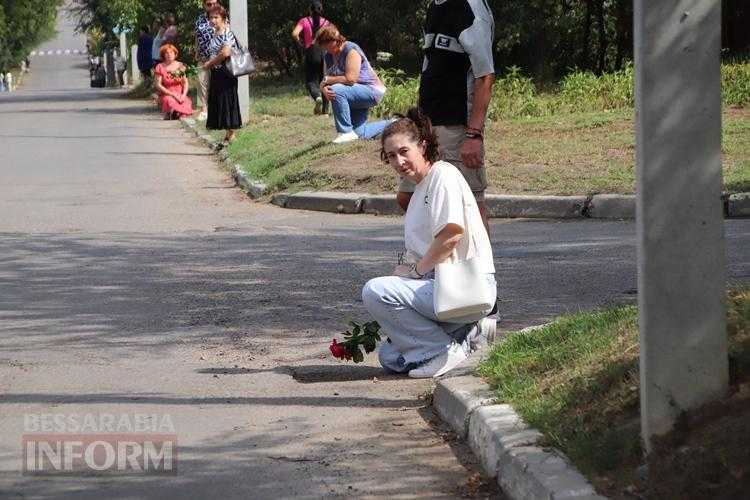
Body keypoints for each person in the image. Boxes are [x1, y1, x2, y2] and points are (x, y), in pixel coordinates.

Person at [362, 109, 497, 379]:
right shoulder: (419, 189)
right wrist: (405, 272)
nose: (398, 161)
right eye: (391, 156)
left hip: (462, 286)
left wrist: (416, 273)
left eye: (404, 151)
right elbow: (422, 250)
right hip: (439, 289)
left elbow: (451, 234)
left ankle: (441, 351)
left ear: (422, 145)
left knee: (374, 291)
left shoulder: (442, 176)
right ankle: (469, 334)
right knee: (390, 357)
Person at [397, 0, 496, 234]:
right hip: (427, 126)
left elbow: (485, 76)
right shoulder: (435, 6)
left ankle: (479, 270)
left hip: (457, 128)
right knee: (408, 197)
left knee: (468, 206)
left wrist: (474, 134)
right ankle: (438, 261)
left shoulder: (470, 7)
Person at [315, 24, 392, 144]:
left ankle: (345, 132)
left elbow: (351, 79)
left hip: (370, 91)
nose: (325, 49)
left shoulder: (351, 50)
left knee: (336, 90)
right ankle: (394, 123)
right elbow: (325, 80)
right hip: (353, 93)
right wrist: (324, 89)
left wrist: (327, 81)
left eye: (325, 45)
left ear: (334, 40)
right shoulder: (328, 56)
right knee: (359, 133)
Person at [202, 5, 242, 149]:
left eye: (216, 17)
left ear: (223, 18)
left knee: (227, 100)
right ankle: (228, 135)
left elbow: (225, 53)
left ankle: (231, 134)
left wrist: (210, 64)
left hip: (226, 72)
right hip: (217, 72)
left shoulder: (226, 32)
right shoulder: (215, 32)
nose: (213, 20)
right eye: (211, 17)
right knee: (220, 101)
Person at [291, 1, 330, 115]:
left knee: (311, 81)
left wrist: (301, 43)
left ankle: (317, 96)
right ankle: (326, 111)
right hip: (324, 52)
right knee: (325, 80)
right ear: (321, 10)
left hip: (311, 52)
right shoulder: (326, 22)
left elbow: (294, 33)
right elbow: (334, 35)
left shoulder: (304, 21)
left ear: (310, 9)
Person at [194, 0, 220, 121]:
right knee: (202, 82)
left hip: (218, 58)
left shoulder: (222, 15)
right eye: (209, 4)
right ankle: (204, 110)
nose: (212, 6)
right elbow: (196, 36)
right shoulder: (199, 19)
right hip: (203, 57)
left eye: (214, 3)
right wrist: (196, 51)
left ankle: (216, 110)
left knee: (217, 83)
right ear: (204, 5)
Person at [153, 44, 194, 120]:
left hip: (179, 93)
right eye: (167, 53)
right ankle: (171, 112)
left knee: (186, 101)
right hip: (167, 93)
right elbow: (158, 84)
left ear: (175, 54)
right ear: (163, 55)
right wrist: (172, 94)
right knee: (169, 100)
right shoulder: (160, 66)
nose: (169, 55)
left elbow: (185, 83)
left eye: (171, 52)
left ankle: (178, 113)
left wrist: (183, 95)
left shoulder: (180, 65)